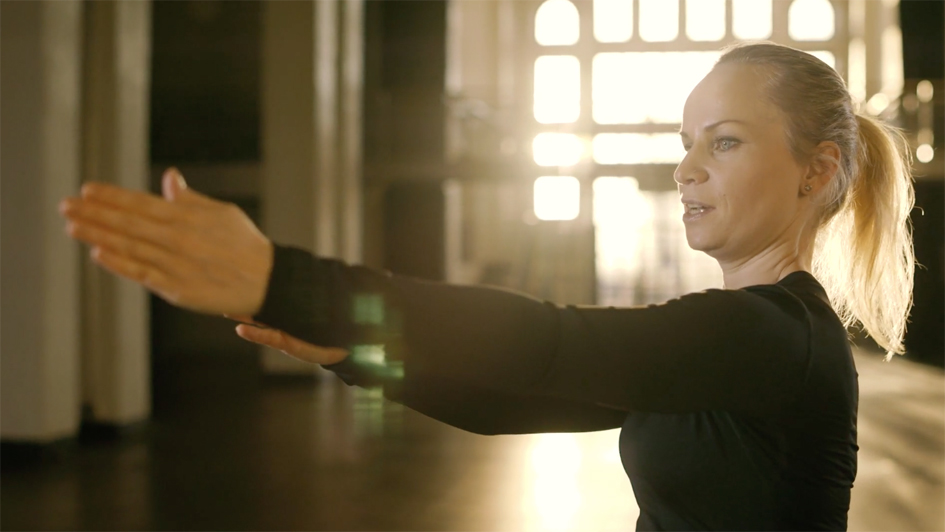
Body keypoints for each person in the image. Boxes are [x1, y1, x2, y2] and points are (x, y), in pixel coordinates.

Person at [59, 42, 915, 530]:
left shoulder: (774, 337)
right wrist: (351, 353)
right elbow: (511, 401)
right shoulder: (725, 344)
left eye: (723, 141)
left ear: (815, 172)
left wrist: (290, 282)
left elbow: (546, 344)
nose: (685, 167)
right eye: (685, 141)